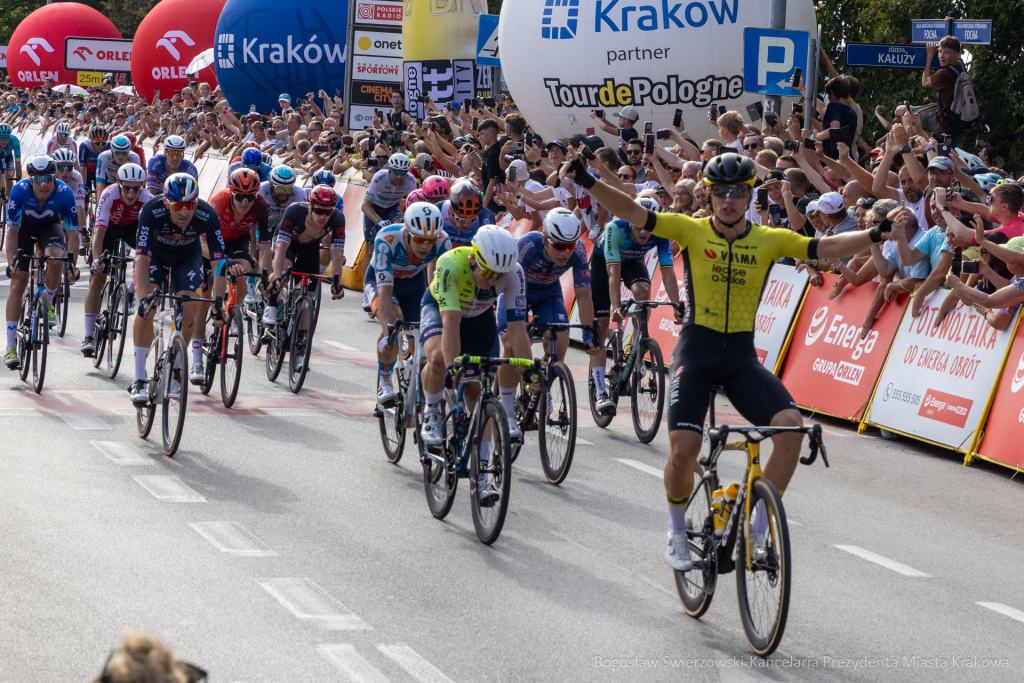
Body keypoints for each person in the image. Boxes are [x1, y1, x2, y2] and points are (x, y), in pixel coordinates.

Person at [561, 150, 896, 571]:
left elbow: (823, 245)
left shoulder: (769, 239)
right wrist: (588, 181)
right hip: (696, 351)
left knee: (791, 431)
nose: (729, 200)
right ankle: (677, 530)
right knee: (684, 450)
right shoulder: (691, 230)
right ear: (710, 196)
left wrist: (875, 234)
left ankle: (758, 528)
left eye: (739, 191)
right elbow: (630, 209)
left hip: (740, 356)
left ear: (750, 195)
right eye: (721, 192)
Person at [418, 227, 530, 471]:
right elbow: (451, 323)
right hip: (440, 311)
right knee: (437, 360)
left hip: (480, 319)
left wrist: (529, 370)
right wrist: (451, 368)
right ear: (473, 259)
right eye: (488, 272)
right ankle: (432, 410)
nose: (492, 281)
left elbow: (518, 329)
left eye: (499, 276)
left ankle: (482, 474)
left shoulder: (514, 274)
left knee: (479, 394)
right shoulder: (451, 264)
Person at [129, 174, 234, 404]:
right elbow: (141, 260)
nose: (185, 212)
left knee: (189, 312)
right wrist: (144, 298)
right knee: (147, 309)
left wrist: (217, 301)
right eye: (178, 206)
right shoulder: (151, 210)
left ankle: (176, 369)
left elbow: (219, 263)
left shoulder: (207, 214)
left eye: (190, 206)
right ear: (167, 203)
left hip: (187, 257)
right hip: (154, 256)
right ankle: (138, 378)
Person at [589, 196, 681, 414]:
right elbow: (613, 273)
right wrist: (616, 307)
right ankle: (601, 392)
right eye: (638, 227)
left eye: (648, 228)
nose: (643, 233)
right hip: (605, 264)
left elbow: (668, 272)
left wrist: (677, 305)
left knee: (643, 293)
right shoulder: (615, 228)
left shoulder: (661, 231)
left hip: (632, 262)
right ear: (630, 219)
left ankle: (636, 350)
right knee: (601, 325)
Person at [372, 202, 452, 406]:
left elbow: (443, 286)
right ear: (407, 233)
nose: (426, 246)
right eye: (420, 239)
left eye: (430, 240)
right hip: (381, 283)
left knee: (426, 340)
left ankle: (420, 383)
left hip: (414, 284)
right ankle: (385, 381)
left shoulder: (443, 242)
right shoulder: (387, 239)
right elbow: (385, 290)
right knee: (395, 322)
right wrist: (388, 331)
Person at [5, 156, 81, 368]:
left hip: (49, 226)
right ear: (31, 180)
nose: (44, 183)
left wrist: (72, 266)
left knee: (56, 260)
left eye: (48, 177)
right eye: (38, 179)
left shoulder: (64, 192)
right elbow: (12, 232)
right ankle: (10, 347)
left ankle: (47, 302)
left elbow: (73, 233)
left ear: (54, 176)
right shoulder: (19, 190)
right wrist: (12, 262)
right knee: (18, 281)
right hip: (23, 229)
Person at [81, 163, 153, 356]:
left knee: (147, 257)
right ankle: (88, 336)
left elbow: (151, 238)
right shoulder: (109, 194)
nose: (130, 193)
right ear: (119, 184)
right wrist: (97, 261)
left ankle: (129, 292)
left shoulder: (148, 199)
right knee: (98, 278)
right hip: (109, 228)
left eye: (136, 188)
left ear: (142, 186)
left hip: (132, 228)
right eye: (126, 188)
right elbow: (99, 232)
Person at [515, 208, 597, 365]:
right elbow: (515, 292)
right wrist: (521, 327)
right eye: (559, 246)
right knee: (515, 346)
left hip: (548, 293)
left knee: (560, 343)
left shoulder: (579, 250)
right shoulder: (527, 245)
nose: (565, 253)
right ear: (545, 239)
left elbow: (584, 294)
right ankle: (506, 390)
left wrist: (588, 332)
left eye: (570, 246)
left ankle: (543, 386)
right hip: (519, 293)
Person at [265, 186, 346, 342]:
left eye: (327, 212)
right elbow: (281, 247)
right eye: (318, 211)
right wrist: (277, 278)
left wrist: (337, 284)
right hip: (288, 243)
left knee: (307, 294)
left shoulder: (338, 218)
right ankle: (271, 303)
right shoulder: (295, 211)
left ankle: (301, 343)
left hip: (309, 247)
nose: (323, 216)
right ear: (310, 206)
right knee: (281, 276)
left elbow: (337, 255)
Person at [439, 179, 496, 247]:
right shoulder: (439, 210)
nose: (467, 224)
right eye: (461, 220)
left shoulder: (486, 216)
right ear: (450, 209)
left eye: (472, 219)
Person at [95, 135, 141, 201]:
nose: (120, 156)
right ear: (112, 151)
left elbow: (137, 182)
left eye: (124, 153)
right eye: (117, 153)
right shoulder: (103, 156)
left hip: (126, 184)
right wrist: (99, 204)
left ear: (129, 151)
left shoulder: (134, 157)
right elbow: (100, 182)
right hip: (109, 182)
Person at [0, 123, 23, 196]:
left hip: (8, 157)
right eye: (1, 138)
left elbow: (18, 164)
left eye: (6, 138)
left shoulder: (15, 141)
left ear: (10, 136)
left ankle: (8, 200)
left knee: (9, 175)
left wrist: (18, 184)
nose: (4, 141)